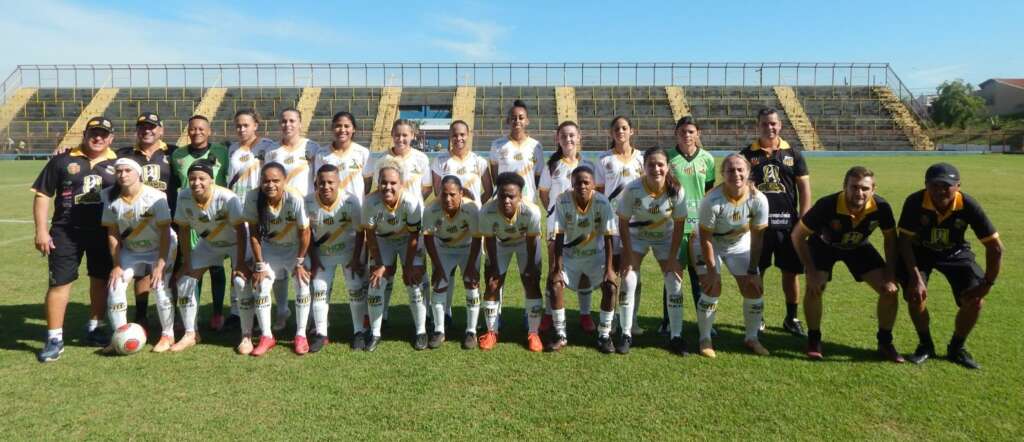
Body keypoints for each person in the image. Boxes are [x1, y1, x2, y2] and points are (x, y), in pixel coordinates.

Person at [791, 166, 903, 362]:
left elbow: (891, 240)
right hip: (824, 246)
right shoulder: (827, 205)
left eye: (865, 188)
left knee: (890, 290)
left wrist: (890, 274)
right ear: (845, 186)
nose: (859, 193)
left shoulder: (881, 207)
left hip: (858, 246)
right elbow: (797, 236)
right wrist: (811, 272)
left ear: (873, 189)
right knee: (815, 287)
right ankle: (814, 339)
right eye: (854, 187)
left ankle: (885, 342)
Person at [896, 163, 1002, 369]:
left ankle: (956, 348)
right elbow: (904, 241)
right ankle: (925, 345)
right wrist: (915, 278)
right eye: (934, 185)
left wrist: (987, 284)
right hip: (920, 251)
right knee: (915, 295)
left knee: (975, 301)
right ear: (926, 185)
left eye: (946, 186)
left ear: (958, 186)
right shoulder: (915, 201)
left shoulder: (968, 205)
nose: (940, 190)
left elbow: (995, 248)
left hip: (955, 252)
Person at [33, 117, 118, 362]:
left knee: (101, 280)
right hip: (65, 232)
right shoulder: (62, 160)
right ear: (85, 134)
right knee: (59, 283)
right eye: (94, 132)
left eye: (103, 134)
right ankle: (54, 338)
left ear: (111, 138)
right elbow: (42, 195)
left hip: (103, 231)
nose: (98, 137)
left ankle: (95, 327)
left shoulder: (119, 162)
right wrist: (41, 230)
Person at [740, 107, 811, 337]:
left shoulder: (793, 153)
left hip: (789, 227)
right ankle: (758, 316)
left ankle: (791, 318)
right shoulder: (747, 154)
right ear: (757, 125)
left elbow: (804, 189)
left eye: (773, 123)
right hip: (758, 227)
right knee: (757, 271)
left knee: (791, 273)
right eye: (764, 123)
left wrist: (804, 222)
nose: (769, 127)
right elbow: (740, 188)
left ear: (780, 125)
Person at [692, 154, 770, 357]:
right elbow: (706, 239)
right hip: (708, 242)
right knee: (712, 287)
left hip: (739, 242)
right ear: (723, 174)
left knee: (754, 288)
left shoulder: (759, 199)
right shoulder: (711, 200)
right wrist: (712, 272)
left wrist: (753, 271)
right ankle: (705, 339)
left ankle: (752, 338)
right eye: (730, 170)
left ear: (748, 172)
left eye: (740, 169)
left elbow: (758, 238)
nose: (736, 174)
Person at [173, 160, 250, 353]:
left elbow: (241, 230)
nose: (196, 182)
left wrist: (240, 263)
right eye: (192, 178)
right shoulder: (183, 196)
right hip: (209, 244)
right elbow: (183, 230)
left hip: (236, 243)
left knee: (241, 282)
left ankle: (246, 336)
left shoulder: (227, 197)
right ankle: (191, 334)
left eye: (202, 178)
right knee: (185, 281)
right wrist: (187, 262)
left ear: (212, 180)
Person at [616, 147, 687, 355]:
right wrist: (628, 255)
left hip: (665, 237)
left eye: (660, 164)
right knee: (628, 278)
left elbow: (679, 226)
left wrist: (673, 258)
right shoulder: (632, 189)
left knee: (674, 280)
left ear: (667, 167)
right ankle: (626, 333)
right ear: (643, 167)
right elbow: (623, 222)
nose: (656, 169)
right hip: (637, 236)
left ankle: (676, 336)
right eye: (651, 165)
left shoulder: (677, 190)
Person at [101, 158, 176, 353]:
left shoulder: (156, 196)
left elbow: (166, 233)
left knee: (160, 286)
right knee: (115, 286)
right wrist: (117, 265)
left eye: (128, 170)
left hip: (160, 248)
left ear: (138, 174)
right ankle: (119, 335)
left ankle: (167, 335)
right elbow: (112, 233)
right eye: (119, 171)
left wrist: (160, 264)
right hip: (132, 250)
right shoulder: (109, 196)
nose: (123, 174)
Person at [362, 119, 432, 324]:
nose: (401, 139)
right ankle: (382, 315)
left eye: (405, 135)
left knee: (418, 272)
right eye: (397, 134)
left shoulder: (421, 158)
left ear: (413, 136)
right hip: (387, 226)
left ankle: (426, 316)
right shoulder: (381, 160)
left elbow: (427, 187)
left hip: (413, 225)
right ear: (392, 135)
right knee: (386, 272)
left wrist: (411, 206)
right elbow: (379, 189)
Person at [241, 162, 312, 356]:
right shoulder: (252, 197)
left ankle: (301, 335)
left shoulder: (294, 197)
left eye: (276, 180)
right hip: (270, 248)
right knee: (261, 285)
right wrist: (259, 265)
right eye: (266, 181)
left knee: (302, 282)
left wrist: (300, 262)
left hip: (294, 249)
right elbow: (254, 234)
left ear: (284, 181)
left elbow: (305, 232)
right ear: (260, 181)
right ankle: (267, 336)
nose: (270, 185)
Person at [171, 115, 233, 331]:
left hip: (217, 217)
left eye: (201, 128)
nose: (196, 132)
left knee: (216, 266)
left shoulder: (222, 152)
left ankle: (217, 313)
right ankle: (192, 315)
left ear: (209, 131)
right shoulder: (177, 155)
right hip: (191, 215)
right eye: (192, 128)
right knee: (191, 266)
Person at [116, 112, 177, 327]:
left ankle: (172, 316)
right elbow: (100, 158)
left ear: (161, 130)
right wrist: (66, 151)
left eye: (152, 127)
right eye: (142, 127)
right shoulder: (124, 154)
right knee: (141, 269)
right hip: (137, 221)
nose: (147, 131)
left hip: (169, 218)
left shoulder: (173, 152)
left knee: (170, 270)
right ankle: (141, 315)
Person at [548, 166, 617, 352]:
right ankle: (560, 334)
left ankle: (604, 335)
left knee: (611, 286)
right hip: (571, 257)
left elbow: (609, 237)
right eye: (578, 183)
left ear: (593, 184)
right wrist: (557, 268)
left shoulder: (602, 202)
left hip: (596, 257)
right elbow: (559, 236)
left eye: (586, 182)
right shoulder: (562, 200)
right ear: (572, 184)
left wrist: (609, 269)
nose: (582, 186)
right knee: (555, 284)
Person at [264, 108, 321, 332]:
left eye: (292, 121)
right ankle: (282, 311)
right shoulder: (272, 151)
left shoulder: (312, 148)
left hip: (305, 214)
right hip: (280, 216)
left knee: (308, 267)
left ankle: (312, 317)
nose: (287, 124)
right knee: (279, 270)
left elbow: (318, 180)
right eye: (284, 121)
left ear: (300, 123)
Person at [429, 120, 491, 324]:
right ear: (450, 136)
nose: (459, 138)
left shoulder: (479, 161)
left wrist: (473, 205)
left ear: (468, 134)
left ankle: (473, 319)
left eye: (462, 134)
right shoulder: (440, 161)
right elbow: (438, 192)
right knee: (445, 272)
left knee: (472, 272)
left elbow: (489, 190)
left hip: (472, 224)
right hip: (446, 223)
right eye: (455, 134)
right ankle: (445, 313)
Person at [538, 121, 596, 333]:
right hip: (557, 226)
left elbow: (595, 194)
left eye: (572, 135)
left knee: (585, 269)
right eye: (564, 135)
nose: (568, 139)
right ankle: (548, 313)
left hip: (583, 227)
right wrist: (556, 212)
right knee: (554, 269)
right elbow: (544, 194)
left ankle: (585, 314)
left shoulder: (589, 165)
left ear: (579, 137)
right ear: (558, 139)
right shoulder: (552, 166)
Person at [362, 166, 428, 351]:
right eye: (384, 183)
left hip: (408, 239)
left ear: (401, 184)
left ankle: (421, 331)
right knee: (376, 282)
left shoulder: (411, 202)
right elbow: (370, 234)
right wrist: (379, 264)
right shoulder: (370, 202)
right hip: (383, 240)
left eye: (393, 183)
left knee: (414, 281)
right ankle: (375, 333)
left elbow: (414, 235)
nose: (388, 187)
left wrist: (409, 266)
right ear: (378, 184)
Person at [478, 172, 545, 352]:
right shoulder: (486, 211)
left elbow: (532, 240)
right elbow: (489, 239)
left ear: (520, 196)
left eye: (511, 196)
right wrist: (494, 266)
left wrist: (530, 265)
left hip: (525, 242)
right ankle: (492, 331)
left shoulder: (532, 211)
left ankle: (533, 333)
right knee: (492, 284)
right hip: (499, 243)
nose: (506, 200)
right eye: (502, 196)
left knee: (531, 281)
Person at [664, 116, 716, 336]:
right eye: (683, 131)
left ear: (698, 134)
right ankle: (668, 322)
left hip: (698, 228)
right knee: (672, 277)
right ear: (676, 133)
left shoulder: (707, 159)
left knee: (700, 277)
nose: (687, 135)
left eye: (691, 131)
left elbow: (709, 192)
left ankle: (705, 322)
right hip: (674, 225)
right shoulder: (667, 157)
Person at [594, 116, 645, 336]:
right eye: (616, 128)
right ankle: (611, 317)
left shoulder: (642, 159)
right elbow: (598, 194)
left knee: (632, 274)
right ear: (611, 132)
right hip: (611, 226)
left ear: (632, 131)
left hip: (636, 226)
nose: (620, 131)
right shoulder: (603, 159)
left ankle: (631, 319)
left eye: (624, 128)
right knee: (611, 273)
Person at [306, 164, 365, 352]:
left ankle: (359, 331)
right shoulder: (308, 201)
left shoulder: (351, 201)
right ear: (316, 182)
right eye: (322, 182)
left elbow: (360, 232)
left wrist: (356, 259)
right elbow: (306, 234)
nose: (326, 186)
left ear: (339, 182)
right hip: (323, 254)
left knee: (355, 289)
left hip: (349, 251)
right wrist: (314, 259)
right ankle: (321, 333)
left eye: (331, 182)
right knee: (319, 290)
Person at [422, 175, 482, 349]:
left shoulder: (471, 208)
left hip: (468, 249)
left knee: (471, 283)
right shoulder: (431, 209)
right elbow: (428, 239)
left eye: (452, 194)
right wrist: (438, 267)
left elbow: (477, 239)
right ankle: (439, 330)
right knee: (439, 284)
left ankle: (471, 331)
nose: (447, 199)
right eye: (444, 194)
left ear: (461, 193)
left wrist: (471, 266)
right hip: (443, 249)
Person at [488, 99, 544, 203]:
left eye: (521, 118)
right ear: (508, 121)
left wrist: (526, 191)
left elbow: (538, 176)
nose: (517, 120)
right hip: (505, 201)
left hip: (528, 201)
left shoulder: (536, 146)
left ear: (527, 121)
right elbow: (495, 176)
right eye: (513, 118)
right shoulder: (497, 145)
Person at [313, 111, 370, 202]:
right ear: (332, 128)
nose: (342, 130)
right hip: (331, 206)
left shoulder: (362, 152)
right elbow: (319, 182)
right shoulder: (322, 154)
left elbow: (368, 181)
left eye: (347, 126)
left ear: (354, 129)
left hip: (356, 206)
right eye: (338, 126)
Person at [227, 109, 276, 202]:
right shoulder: (232, 148)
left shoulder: (268, 145)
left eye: (246, 125)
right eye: (238, 126)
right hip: (235, 200)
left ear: (255, 126)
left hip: (257, 201)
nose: (242, 129)